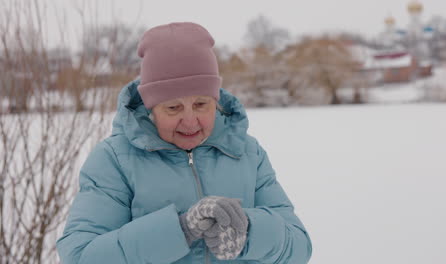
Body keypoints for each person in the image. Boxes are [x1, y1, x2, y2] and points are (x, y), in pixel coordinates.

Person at [56, 22, 312, 264]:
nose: (190, 122)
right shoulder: (114, 160)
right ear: (151, 108)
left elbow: (299, 247)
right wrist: (180, 230)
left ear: (216, 100)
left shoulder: (246, 152)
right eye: (173, 108)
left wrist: (249, 230)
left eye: (201, 104)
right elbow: (81, 256)